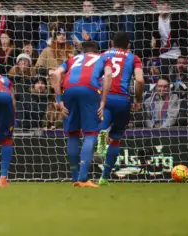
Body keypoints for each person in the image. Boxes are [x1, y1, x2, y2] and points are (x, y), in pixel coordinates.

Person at [52, 41, 112, 187]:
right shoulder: (103, 58)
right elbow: (109, 75)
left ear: (82, 51)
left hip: (69, 90)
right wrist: (103, 101)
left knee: (72, 134)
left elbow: (56, 73)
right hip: (88, 89)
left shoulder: (72, 59)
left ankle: (74, 177)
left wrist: (59, 101)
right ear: (96, 51)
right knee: (90, 134)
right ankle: (83, 178)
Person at [95, 32, 145, 186]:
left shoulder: (103, 55)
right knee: (116, 138)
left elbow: (94, 76)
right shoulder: (133, 57)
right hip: (123, 100)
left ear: (111, 43)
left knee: (103, 125)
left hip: (105, 96)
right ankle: (104, 177)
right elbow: (140, 80)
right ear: (128, 45)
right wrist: (138, 99)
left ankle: (101, 137)